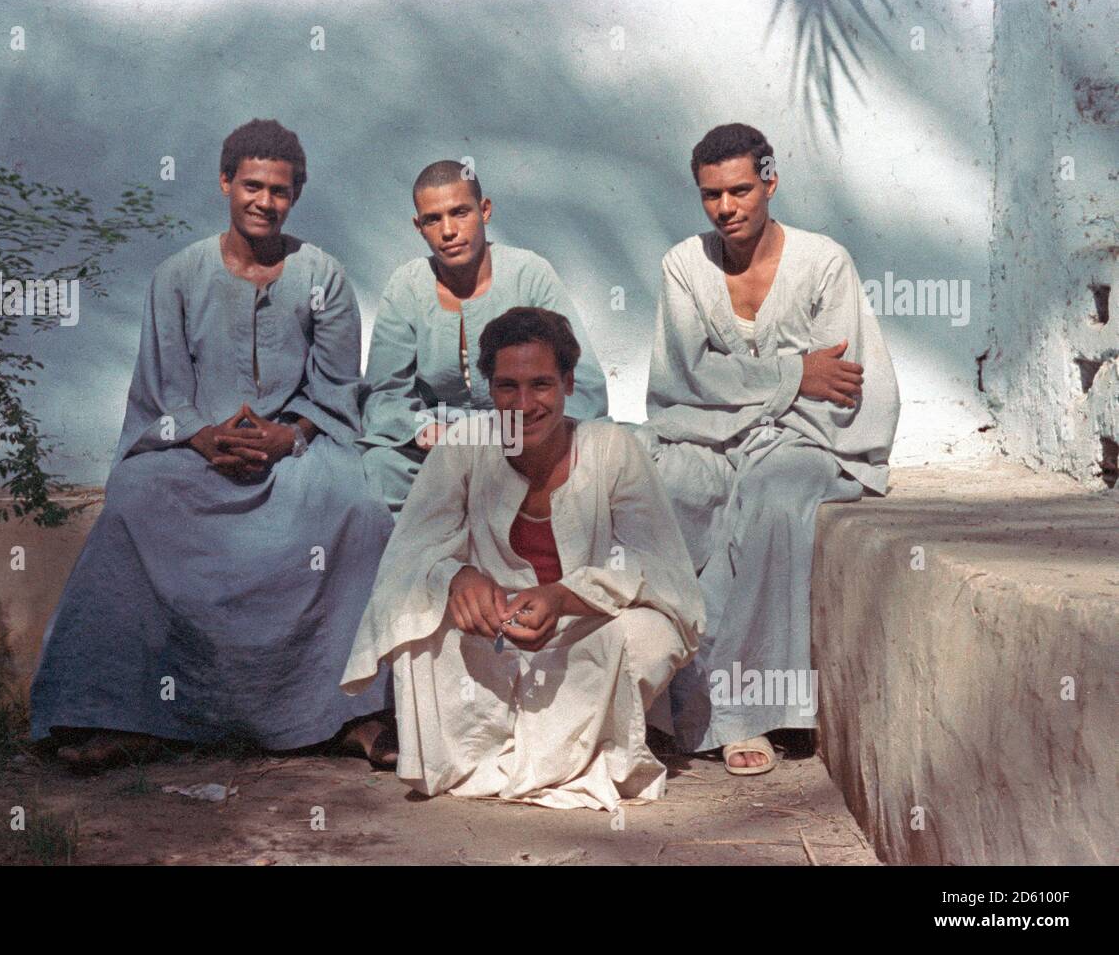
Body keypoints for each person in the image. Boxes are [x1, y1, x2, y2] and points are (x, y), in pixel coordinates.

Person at [30, 119, 397, 771]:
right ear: (226, 182)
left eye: (279, 190)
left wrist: (289, 433)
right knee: (134, 504)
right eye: (252, 185)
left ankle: (352, 713)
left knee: (360, 513)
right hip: (198, 452)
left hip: (299, 454)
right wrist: (205, 436)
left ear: (295, 195)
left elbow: (338, 388)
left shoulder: (325, 277)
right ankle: (124, 715)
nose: (264, 200)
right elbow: (163, 389)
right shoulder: (177, 276)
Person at [342, 307, 705, 810]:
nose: (524, 404)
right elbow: (407, 559)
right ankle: (515, 751)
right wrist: (456, 576)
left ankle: (540, 749)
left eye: (541, 385)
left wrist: (565, 596)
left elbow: (657, 567)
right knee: (412, 618)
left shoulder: (613, 449)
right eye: (507, 386)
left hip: (585, 634)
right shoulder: (464, 448)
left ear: (569, 383)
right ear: (488, 390)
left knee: (648, 635)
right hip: (492, 642)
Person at [637, 123, 899, 775]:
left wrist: (761, 388)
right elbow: (686, 377)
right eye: (711, 195)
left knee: (772, 496)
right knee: (660, 485)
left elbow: (839, 383)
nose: (726, 207)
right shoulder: (683, 266)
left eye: (740, 190)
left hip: (806, 436)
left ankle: (741, 713)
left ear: (770, 182)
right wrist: (789, 372)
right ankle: (640, 695)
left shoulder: (823, 263)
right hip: (704, 428)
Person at [358, 161, 609, 513]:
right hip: (441, 445)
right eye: (433, 219)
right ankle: (429, 564)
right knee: (380, 467)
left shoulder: (529, 274)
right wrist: (422, 429)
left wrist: (510, 432)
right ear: (419, 226)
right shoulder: (407, 286)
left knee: (620, 452)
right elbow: (383, 394)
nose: (448, 230)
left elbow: (584, 385)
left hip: (526, 435)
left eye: (460, 212)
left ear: (485, 210)